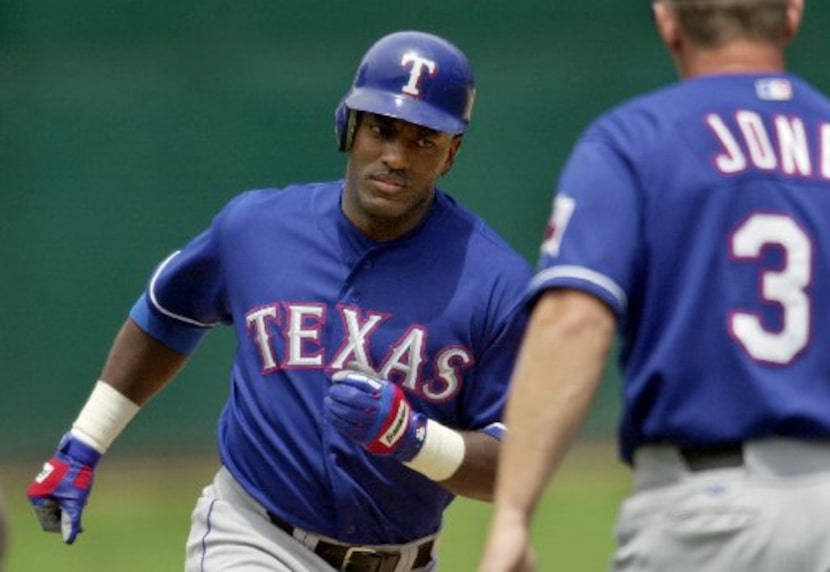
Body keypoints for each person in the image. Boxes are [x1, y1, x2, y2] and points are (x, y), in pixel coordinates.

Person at [26, 30, 532, 572]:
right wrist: (84, 441)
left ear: (451, 153)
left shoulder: (496, 283)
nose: (395, 156)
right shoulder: (255, 229)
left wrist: (415, 439)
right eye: (382, 129)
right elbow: (166, 313)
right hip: (254, 538)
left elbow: (514, 464)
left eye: (423, 140)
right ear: (348, 126)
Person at [478, 1, 830, 571]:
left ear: (667, 20)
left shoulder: (635, 141)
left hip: (712, 518)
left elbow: (575, 320)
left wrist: (514, 511)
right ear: (792, 14)